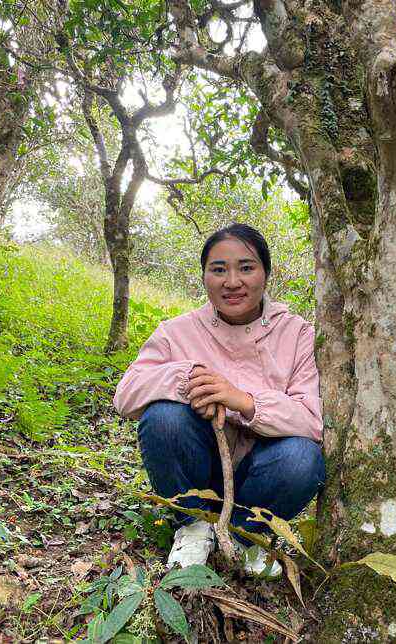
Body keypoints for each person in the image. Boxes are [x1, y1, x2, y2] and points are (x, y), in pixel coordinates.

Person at [113, 223, 325, 577]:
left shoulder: (299, 335)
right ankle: (193, 527)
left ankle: (246, 537)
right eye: (218, 269)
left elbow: (311, 420)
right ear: (204, 277)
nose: (232, 282)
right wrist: (189, 379)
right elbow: (126, 394)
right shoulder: (177, 331)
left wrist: (245, 401)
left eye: (246, 267)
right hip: (200, 465)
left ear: (266, 274)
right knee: (164, 416)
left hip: (264, 473)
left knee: (304, 457)